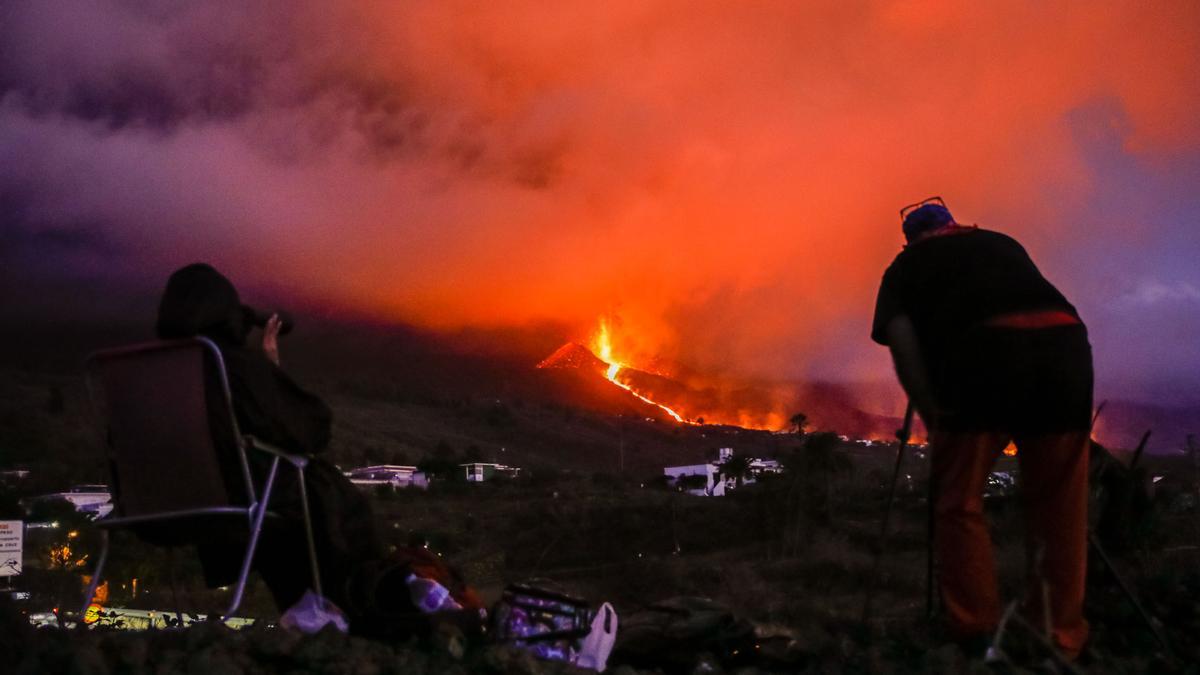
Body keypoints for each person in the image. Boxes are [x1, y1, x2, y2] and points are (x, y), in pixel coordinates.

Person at [871, 199, 1092, 659]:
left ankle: (976, 632)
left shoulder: (905, 266)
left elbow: (903, 340)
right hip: (1066, 352)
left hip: (984, 358)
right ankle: (1059, 636)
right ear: (955, 225)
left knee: (958, 500)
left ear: (911, 238)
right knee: (1060, 504)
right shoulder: (1001, 242)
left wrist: (933, 412)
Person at [155, 263, 382, 616]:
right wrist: (269, 373)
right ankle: (351, 610)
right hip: (234, 500)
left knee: (285, 507)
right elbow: (307, 430)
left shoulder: (145, 371)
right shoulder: (227, 362)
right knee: (323, 493)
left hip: (159, 505)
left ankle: (307, 612)